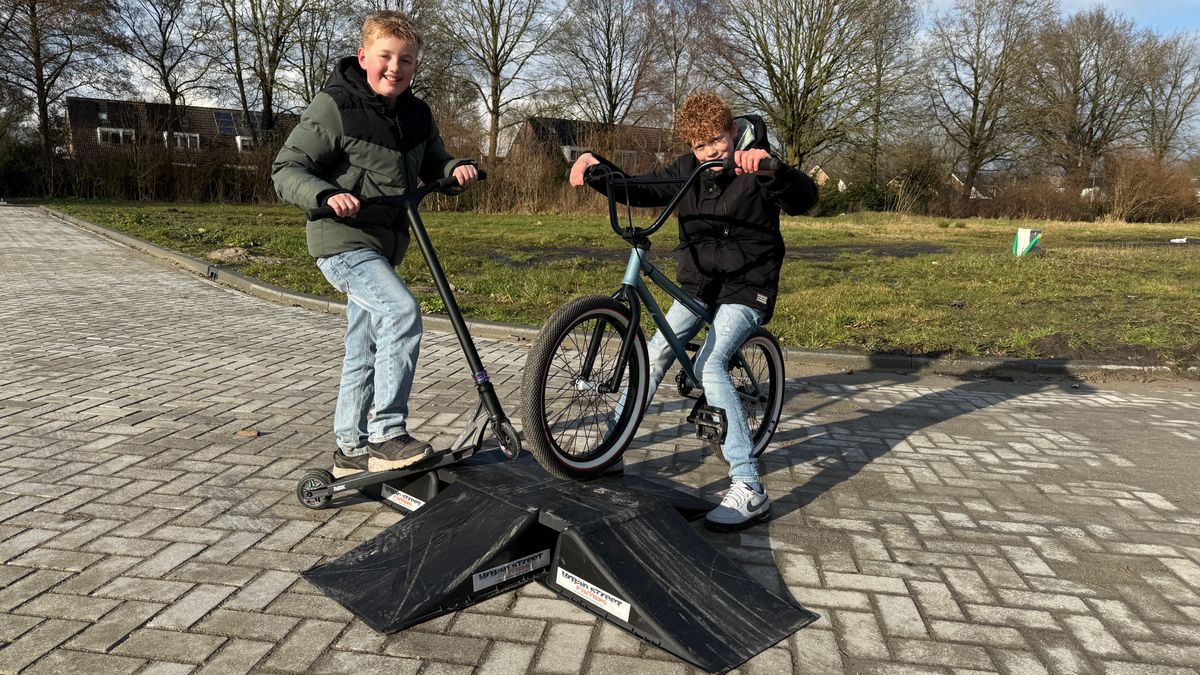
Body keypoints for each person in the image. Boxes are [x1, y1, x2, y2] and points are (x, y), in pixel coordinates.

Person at [569, 91, 817, 531]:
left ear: (732, 132)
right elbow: (641, 187)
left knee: (711, 363)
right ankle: (611, 446)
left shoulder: (757, 162)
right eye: (701, 146)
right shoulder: (689, 168)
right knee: (657, 349)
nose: (712, 152)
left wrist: (773, 171)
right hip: (700, 285)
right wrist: (596, 167)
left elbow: (804, 198)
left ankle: (749, 487)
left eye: (718, 140)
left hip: (747, 286)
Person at [272, 10, 478, 478]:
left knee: (363, 347)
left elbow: (435, 161)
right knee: (402, 311)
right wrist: (326, 194)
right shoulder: (335, 105)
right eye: (385, 56)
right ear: (364, 55)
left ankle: (350, 448)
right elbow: (286, 170)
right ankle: (387, 435)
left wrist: (453, 170)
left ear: (415, 66)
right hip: (341, 241)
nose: (395, 68)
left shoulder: (416, 113)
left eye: (406, 60)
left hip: (385, 246)